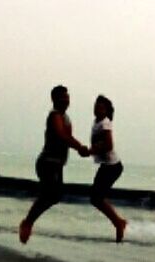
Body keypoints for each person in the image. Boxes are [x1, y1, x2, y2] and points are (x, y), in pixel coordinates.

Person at [19, 85, 90, 244]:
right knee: (49, 195)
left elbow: (68, 137)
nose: (65, 99)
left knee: (54, 196)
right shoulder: (54, 115)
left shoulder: (66, 118)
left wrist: (81, 149)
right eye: (62, 97)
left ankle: (28, 221)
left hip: (57, 164)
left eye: (67, 97)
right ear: (54, 99)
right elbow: (62, 135)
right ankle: (28, 223)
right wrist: (80, 147)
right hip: (47, 162)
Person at [88, 95, 127, 242]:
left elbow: (109, 145)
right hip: (107, 166)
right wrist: (90, 150)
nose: (97, 108)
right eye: (95, 105)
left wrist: (90, 151)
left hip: (113, 167)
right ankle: (118, 222)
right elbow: (99, 145)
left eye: (101, 107)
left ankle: (119, 223)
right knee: (95, 198)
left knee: (96, 198)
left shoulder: (105, 123)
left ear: (107, 110)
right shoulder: (97, 122)